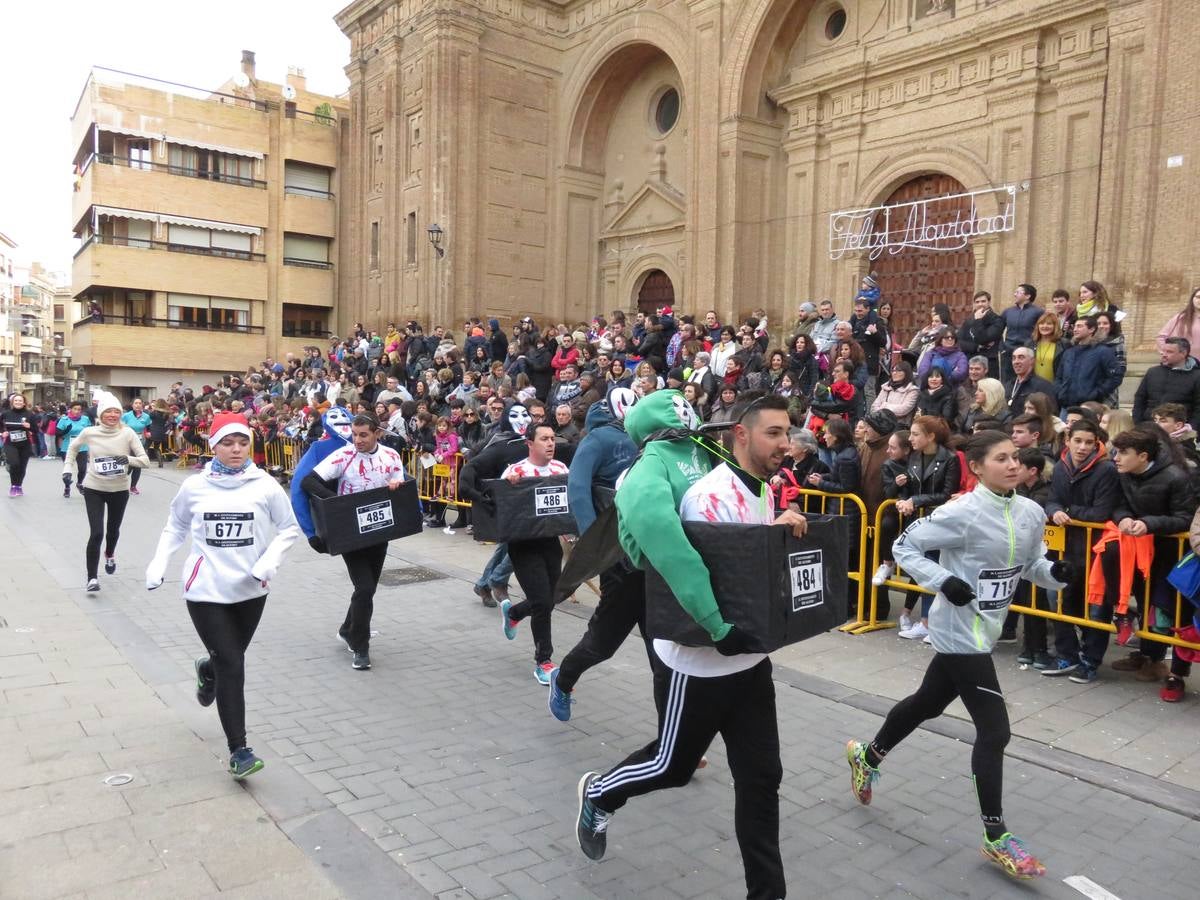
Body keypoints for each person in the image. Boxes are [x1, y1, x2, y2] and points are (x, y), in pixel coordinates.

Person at [575, 394, 807, 900]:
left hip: (749, 664)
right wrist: (720, 626)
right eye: (774, 433)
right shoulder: (706, 493)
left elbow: (746, 562)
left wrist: (780, 532)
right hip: (697, 667)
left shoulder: (763, 490)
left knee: (762, 780)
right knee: (671, 767)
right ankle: (598, 792)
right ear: (741, 435)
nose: (786, 444)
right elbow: (691, 563)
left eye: (787, 433)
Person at [846, 430, 1069, 881]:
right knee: (995, 730)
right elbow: (903, 547)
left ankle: (866, 757)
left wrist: (1056, 573)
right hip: (956, 629)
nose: (1013, 464)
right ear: (977, 467)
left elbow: (1030, 565)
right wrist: (942, 580)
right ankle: (996, 835)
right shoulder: (960, 512)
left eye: (1015, 457)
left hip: (985, 629)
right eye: (1001, 458)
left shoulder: (1028, 511)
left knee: (927, 704)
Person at [145, 412, 301, 780]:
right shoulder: (194, 487)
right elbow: (176, 526)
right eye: (227, 443)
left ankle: (207, 668)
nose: (235, 449)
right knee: (233, 664)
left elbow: (290, 528)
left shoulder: (265, 486)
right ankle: (239, 750)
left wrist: (269, 562)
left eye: (242, 442)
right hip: (206, 590)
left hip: (250, 588)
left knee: (228, 659)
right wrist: (159, 562)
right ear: (213, 446)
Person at [550, 389, 642, 720]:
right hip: (618, 556)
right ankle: (564, 678)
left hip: (653, 556)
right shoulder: (599, 439)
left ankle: (674, 741)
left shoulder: (650, 442)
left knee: (666, 652)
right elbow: (576, 487)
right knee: (602, 642)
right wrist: (594, 540)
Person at [1089, 427, 1195, 688]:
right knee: (1138, 592)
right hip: (1134, 548)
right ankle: (1143, 650)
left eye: (1123, 453)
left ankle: (1159, 662)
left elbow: (1184, 518)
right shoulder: (1123, 474)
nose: (1116, 457)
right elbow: (1118, 504)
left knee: (1160, 607)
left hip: (1167, 554)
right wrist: (1124, 518)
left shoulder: (1176, 477)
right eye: (1115, 451)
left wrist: (1148, 524)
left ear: (1143, 456)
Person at [300, 413, 408, 671]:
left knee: (367, 589)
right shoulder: (343, 455)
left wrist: (397, 485)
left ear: (376, 434)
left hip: (379, 531)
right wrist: (338, 502)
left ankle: (348, 629)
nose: (357, 440)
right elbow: (309, 481)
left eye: (363, 435)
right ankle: (361, 647)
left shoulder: (391, 456)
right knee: (364, 588)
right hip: (350, 532)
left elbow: (400, 481)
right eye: (354, 434)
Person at [1040, 419, 1121, 678]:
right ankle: (1067, 654)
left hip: (1095, 549)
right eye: (1078, 441)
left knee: (1096, 608)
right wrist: (1054, 510)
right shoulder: (1062, 466)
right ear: (1068, 441)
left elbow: (1101, 512)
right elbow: (1053, 499)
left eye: (1089, 442)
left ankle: (1091, 660)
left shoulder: (1106, 469)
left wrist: (1067, 512)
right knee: (1060, 600)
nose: (1082, 447)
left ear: (1097, 443)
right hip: (1066, 547)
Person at [495, 422, 569, 684]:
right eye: (544, 439)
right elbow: (500, 508)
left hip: (550, 542)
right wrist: (510, 487)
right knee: (541, 604)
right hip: (523, 545)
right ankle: (544, 662)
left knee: (549, 599)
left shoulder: (561, 469)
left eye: (552, 439)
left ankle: (514, 613)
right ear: (530, 443)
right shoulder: (515, 471)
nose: (550, 444)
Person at [64, 392, 150, 592]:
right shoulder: (89, 432)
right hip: (94, 487)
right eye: (108, 412)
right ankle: (92, 578)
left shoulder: (127, 433)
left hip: (119, 489)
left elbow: (145, 461)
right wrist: (67, 468)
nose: (112, 415)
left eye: (116, 412)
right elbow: (72, 448)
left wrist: (126, 459)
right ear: (101, 414)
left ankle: (110, 554)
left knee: (113, 530)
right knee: (96, 533)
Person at [893, 416, 961, 640]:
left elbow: (946, 493)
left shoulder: (950, 459)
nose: (910, 438)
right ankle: (924, 621)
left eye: (915, 434)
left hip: (940, 523)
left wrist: (916, 500)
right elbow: (909, 488)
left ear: (930, 436)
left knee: (936, 569)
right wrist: (903, 499)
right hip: (917, 522)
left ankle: (931, 623)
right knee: (923, 569)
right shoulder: (914, 456)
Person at [1132, 336, 1200, 431]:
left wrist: (1190, 427)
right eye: (1163, 351)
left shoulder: (1196, 376)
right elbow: (1140, 398)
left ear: (1183, 353)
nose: (1164, 354)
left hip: (1179, 432)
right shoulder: (1153, 372)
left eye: (1169, 352)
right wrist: (1138, 423)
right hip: (1148, 427)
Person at [1055, 317, 1121, 409]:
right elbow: (1059, 376)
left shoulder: (1103, 351)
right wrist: (1060, 392)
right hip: (1067, 404)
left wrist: (1096, 393)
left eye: (1080, 326)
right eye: (1074, 326)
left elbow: (1115, 376)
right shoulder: (1069, 352)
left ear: (1091, 329)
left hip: (1090, 406)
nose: (1075, 329)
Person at [1000, 283, 1043, 380]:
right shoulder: (1008, 312)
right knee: (1007, 381)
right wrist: (1002, 347)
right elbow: (998, 330)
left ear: (1028, 296)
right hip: (1008, 352)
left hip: (1028, 351)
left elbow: (1042, 332)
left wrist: (1034, 346)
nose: (1015, 294)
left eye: (1018, 292)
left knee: (1026, 378)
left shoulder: (1038, 312)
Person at [958, 291, 1004, 377]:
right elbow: (959, 342)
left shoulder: (997, 320)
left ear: (989, 302)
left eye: (983, 301)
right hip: (970, 361)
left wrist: (978, 321)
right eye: (977, 302)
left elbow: (983, 339)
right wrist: (977, 347)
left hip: (988, 363)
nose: (980, 304)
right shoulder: (969, 320)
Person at [1004, 346, 1056, 418]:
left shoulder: (1043, 386)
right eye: (1014, 358)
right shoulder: (1009, 385)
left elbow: (1050, 413)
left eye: (1021, 357)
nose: (1016, 362)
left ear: (1032, 360)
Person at [2, 394, 35, 496]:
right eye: (16, 400)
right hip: (10, 443)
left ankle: (19, 486)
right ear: (12, 402)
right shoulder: (6, 414)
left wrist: (29, 427)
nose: (18, 402)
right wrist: (3, 432)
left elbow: (36, 430)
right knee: (14, 464)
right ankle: (13, 486)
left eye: (20, 401)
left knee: (22, 467)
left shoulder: (29, 414)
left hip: (25, 444)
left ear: (24, 403)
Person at [57, 401, 92, 497]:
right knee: (68, 469)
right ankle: (67, 487)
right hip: (67, 447)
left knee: (82, 468)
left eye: (79, 409)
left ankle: (79, 483)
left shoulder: (85, 419)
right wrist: (66, 430)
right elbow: (58, 434)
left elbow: (89, 432)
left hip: (82, 447)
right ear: (70, 409)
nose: (77, 411)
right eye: (75, 409)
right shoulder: (64, 419)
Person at [120, 399, 152, 495]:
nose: (138, 405)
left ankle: (133, 486)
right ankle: (122, 483)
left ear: (142, 405)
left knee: (138, 464)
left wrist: (148, 433)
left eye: (139, 403)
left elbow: (148, 427)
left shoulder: (146, 416)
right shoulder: (126, 416)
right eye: (135, 403)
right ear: (132, 405)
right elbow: (120, 427)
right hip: (128, 441)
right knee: (128, 463)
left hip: (140, 441)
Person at [1156, 286, 1200, 352]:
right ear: (1192, 299)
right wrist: (1169, 353)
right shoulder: (1181, 318)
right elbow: (1161, 338)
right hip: (1187, 361)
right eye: (1198, 297)